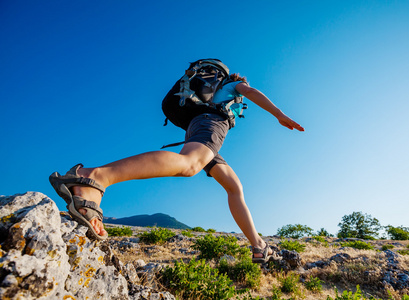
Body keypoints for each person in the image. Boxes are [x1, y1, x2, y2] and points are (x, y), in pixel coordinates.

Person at [50, 69, 304, 263]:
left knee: (234, 186)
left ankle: (258, 246)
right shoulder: (234, 85)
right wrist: (279, 114)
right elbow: (251, 92)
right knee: (190, 165)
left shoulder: (216, 94)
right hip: (210, 126)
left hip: (200, 128)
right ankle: (92, 178)